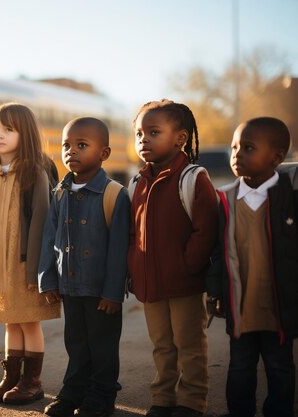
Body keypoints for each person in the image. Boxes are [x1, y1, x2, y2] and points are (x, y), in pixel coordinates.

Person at [128, 99, 218, 417]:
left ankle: (192, 401)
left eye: (154, 132)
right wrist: (132, 269)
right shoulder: (137, 182)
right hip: (150, 285)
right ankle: (163, 398)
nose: (144, 140)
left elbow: (205, 230)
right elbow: (131, 233)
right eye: (139, 133)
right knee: (162, 345)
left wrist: (187, 266)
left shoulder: (192, 178)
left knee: (190, 345)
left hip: (184, 284)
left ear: (180, 138)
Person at [0, 102, 61, 405]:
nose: (0, 135)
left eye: (9, 130)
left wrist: (38, 269)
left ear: (27, 134)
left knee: (28, 321)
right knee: (11, 321)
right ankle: (11, 377)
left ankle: (32, 381)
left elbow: (42, 221)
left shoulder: (35, 172)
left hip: (25, 263)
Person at [39, 117, 130, 417]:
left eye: (81, 145)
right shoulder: (60, 193)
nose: (71, 151)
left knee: (102, 347)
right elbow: (49, 239)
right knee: (76, 344)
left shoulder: (114, 193)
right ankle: (73, 392)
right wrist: (48, 280)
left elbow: (120, 249)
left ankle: (102, 396)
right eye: (66, 145)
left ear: (104, 153)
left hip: (101, 290)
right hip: (71, 286)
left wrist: (113, 293)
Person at [206, 117, 297, 417]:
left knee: (280, 368)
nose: (237, 154)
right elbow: (218, 253)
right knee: (240, 368)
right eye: (234, 147)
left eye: (248, 148)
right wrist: (215, 292)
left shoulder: (290, 197)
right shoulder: (226, 199)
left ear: (276, 157)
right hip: (240, 308)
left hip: (278, 308)